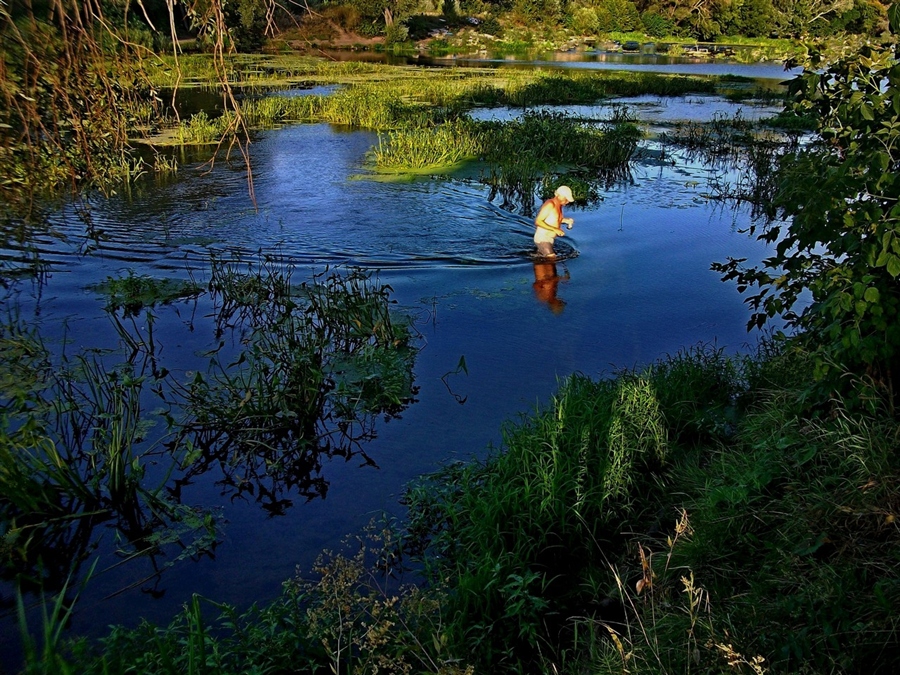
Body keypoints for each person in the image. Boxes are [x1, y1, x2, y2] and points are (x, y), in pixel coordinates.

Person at [533, 185, 575, 258]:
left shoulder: (559, 205)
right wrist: (555, 229)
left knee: (541, 258)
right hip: (543, 238)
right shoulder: (550, 204)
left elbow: (554, 219)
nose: (567, 202)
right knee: (551, 257)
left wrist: (566, 221)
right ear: (559, 196)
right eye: (566, 199)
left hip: (550, 239)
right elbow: (538, 221)